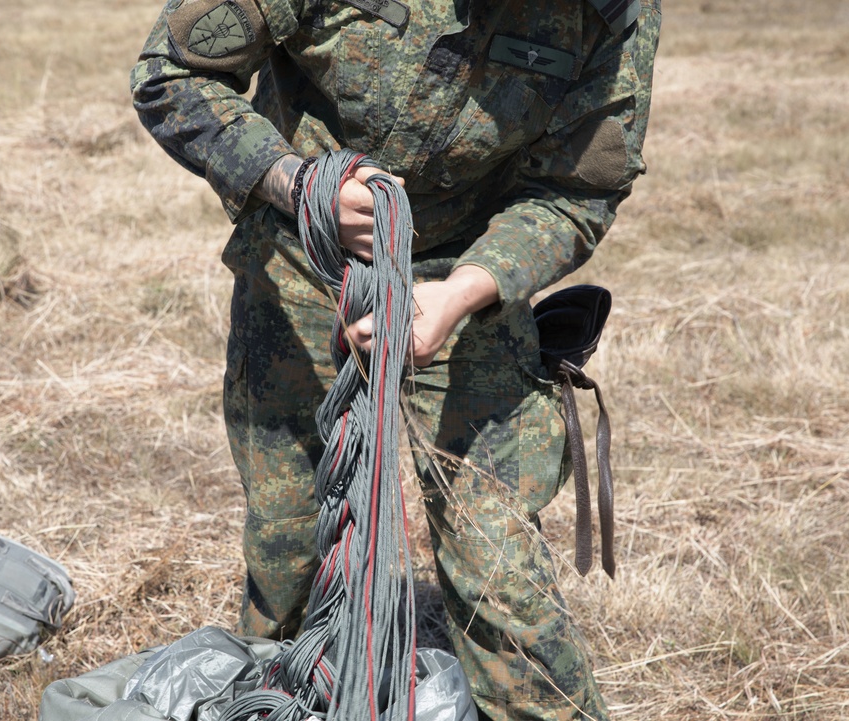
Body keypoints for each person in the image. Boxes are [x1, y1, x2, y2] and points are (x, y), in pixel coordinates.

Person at [131, 0, 660, 719]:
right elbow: (170, 75)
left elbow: (577, 190)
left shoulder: (611, 9)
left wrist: (459, 295)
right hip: (301, 256)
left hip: (466, 278)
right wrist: (295, 183)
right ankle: (289, 699)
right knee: (292, 550)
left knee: (499, 567)